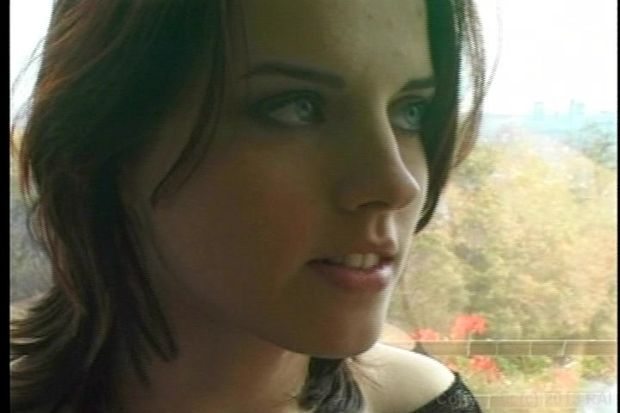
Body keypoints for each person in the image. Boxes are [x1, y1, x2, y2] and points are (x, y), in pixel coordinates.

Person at [10, 0, 488, 412]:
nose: (396, 184)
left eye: (411, 111)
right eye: (297, 106)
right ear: (105, 139)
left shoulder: (422, 403)